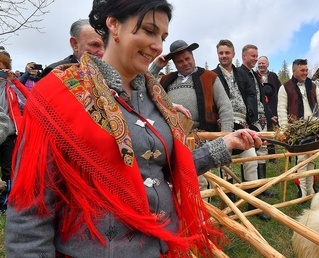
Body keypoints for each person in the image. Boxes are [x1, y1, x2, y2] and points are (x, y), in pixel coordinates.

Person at [5, 1, 264, 257]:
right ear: (114, 24)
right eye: (149, 31)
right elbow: (30, 210)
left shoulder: (156, 96)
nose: (158, 45)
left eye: (162, 36)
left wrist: (226, 144)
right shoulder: (58, 95)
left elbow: (165, 170)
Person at [152, 39, 234, 198]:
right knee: (172, 178)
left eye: (187, 59)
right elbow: (142, 85)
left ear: (193, 57)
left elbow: (225, 107)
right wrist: (156, 66)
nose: (185, 63)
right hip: (171, 136)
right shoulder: (165, 80)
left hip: (200, 137)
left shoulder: (209, 77)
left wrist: (226, 136)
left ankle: (203, 216)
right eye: (180, 61)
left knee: (199, 179)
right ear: (175, 64)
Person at [212, 40, 274, 220]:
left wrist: (251, 117)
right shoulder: (212, 75)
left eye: (227, 52)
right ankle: (230, 202)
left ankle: (251, 200)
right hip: (222, 123)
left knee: (251, 159)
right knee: (225, 163)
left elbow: (250, 94)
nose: (224, 56)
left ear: (233, 54)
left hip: (243, 122)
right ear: (218, 54)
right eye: (221, 53)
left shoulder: (242, 73)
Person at [277, 59, 319, 198]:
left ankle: (310, 188)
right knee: (301, 159)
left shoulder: (312, 86)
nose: (305, 73)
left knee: (312, 158)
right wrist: (284, 129)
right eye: (302, 70)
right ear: (294, 71)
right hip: (296, 128)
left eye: (306, 70)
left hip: (313, 126)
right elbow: (281, 109)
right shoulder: (285, 87)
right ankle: (302, 190)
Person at [238, 45, 275, 197]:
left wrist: (268, 113)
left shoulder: (255, 74)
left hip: (262, 118)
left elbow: (261, 98)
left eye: (256, 56)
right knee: (250, 154)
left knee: (262, 151)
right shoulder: (239, 73)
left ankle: (262, 187)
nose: (255, 59)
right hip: (251, 119)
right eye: (252, 56)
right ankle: (252, 192)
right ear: (244, 56)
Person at [0, 49, 29, 213]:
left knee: (8, 171)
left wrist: (15, 81)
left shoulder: (12, 88)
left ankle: (4, 203)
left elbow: (31, 101)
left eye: (1, 69)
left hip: (10, 136)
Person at [40, 19, 105, 79]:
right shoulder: (55, 73)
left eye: (106, 45)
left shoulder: (110, 71)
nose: (102, 52)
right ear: (75, 44)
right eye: (95, 45)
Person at [257, 55, 281, 162]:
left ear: (268, 64)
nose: (261, 65)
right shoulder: (254, 75)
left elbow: (280, 90)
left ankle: (272, 155)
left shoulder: (273, 76)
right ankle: (260, 154)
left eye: (263, 63)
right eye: (260, 63)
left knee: (272, 131)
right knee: (260, 131)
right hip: (259, 108)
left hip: (272, 106)